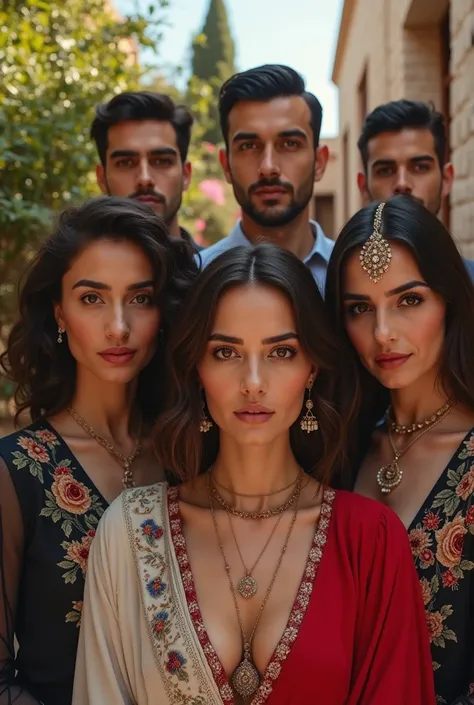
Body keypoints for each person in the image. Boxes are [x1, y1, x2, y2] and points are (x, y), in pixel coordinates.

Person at [73, 244, 435, 705]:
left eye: (281, 351)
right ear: (196, 368)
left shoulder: (371, 541)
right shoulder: (129, 532)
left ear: (312, 369)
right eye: (225, 352)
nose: (253, 381)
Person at [0, 197, 197, 705]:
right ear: (59, 312)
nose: (118, 326)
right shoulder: (16, 471)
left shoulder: (192, 454)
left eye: (140, 298)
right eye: (92, 299)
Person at [325, 194, 474, 704]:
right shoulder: (335, 450)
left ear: (449, 300)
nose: (383, 333)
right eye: (360, 308)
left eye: (409, 300)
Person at [198, 64, 334, 293]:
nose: (268, 167)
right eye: (249, 146)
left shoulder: (355, 280)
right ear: (226, 165)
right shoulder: (195, 280)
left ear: (319, 162)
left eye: (290, 144)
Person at [357, 99, 474, 279]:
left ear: (447, 179)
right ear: (364, 187)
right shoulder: (337, 291)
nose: (402, 183)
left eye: (420, 167)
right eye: (385, 170)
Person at [90, 90, 203, 252]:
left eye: (161, 161)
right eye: (126, 163)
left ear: (186, 175)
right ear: (102, 178)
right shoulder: (76, 276)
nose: (144, 178)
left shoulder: (218, 276)